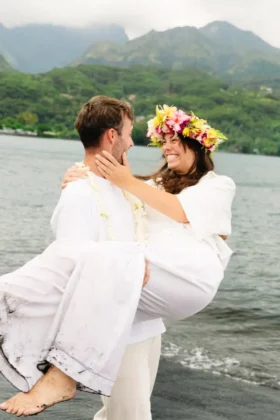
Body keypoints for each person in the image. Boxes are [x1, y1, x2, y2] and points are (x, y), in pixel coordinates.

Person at [0, 100, 236, 417]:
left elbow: (180, 212)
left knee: (107, 257)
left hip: (190, 276)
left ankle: (59, 373)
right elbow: (112, 197)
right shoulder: (154, 185)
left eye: (174, 140)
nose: (166, 148)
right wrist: (79, 181)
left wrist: (124, 181)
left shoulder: (217, 186)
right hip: (143, 280)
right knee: (123, 410)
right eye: (163, 141)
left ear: (196, 143)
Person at [0, 96, 164, 419]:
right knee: (132, 416)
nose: (132, 142)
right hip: (119, 328)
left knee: (119, 414)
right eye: (129, 133)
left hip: (147, 325)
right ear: (111, 136)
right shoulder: (78, 193)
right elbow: (69, 269)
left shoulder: (122, 185)